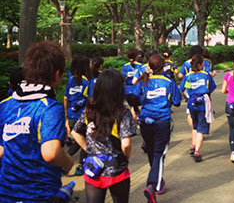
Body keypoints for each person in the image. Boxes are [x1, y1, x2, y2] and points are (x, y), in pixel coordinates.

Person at [0, 41, 74, 202]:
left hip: (6, 192)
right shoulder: (49, 108)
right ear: (56, 74)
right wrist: (68, 161)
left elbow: (1, 149)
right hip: (39, 194)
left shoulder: (5, 105)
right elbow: (50, 153)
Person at [71, 69, 136, 203]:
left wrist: (88, 150)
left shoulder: (89, 111)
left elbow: (75, 132)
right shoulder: (122, 112)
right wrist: (125, 157)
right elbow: (126, 143)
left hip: (93, 168)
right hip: (117, 169)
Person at [134, 54, 181, 203]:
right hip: (162, 121)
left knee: (151, 150)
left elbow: (135, 97)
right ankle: (151, 185)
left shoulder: (143, 81)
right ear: (163, 66)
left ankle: (158, 182)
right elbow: (177, 101)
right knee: (159, 154)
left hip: (146, 121)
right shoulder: (168, 82)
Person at [179, 54, 216, 162]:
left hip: (191, 102)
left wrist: (186, 97)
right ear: (200, 65)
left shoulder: (188, 76)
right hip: (203, 103)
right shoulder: (206, 75)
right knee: (201, 128)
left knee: (195, 126)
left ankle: (193, 144)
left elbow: (181, 89)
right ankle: (197, 152)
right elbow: (211, 88)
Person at [64, 54, 91, 175]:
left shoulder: (71, 80)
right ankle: (80, 165)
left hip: (71, 115)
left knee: (78, 140)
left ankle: (65, 159)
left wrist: (66, 115)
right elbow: (89, 98)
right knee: (85, 139)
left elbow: (65, 98)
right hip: (83, 116)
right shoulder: (87, 81)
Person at [122, 48, 143, 124]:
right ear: (137, 56)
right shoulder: (140, 65)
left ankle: (134, 126)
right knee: (140, 107)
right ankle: (141, 122)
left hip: (127, 91)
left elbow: (123, 78)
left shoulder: (125, 66)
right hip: (138, 90)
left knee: (132, 108)